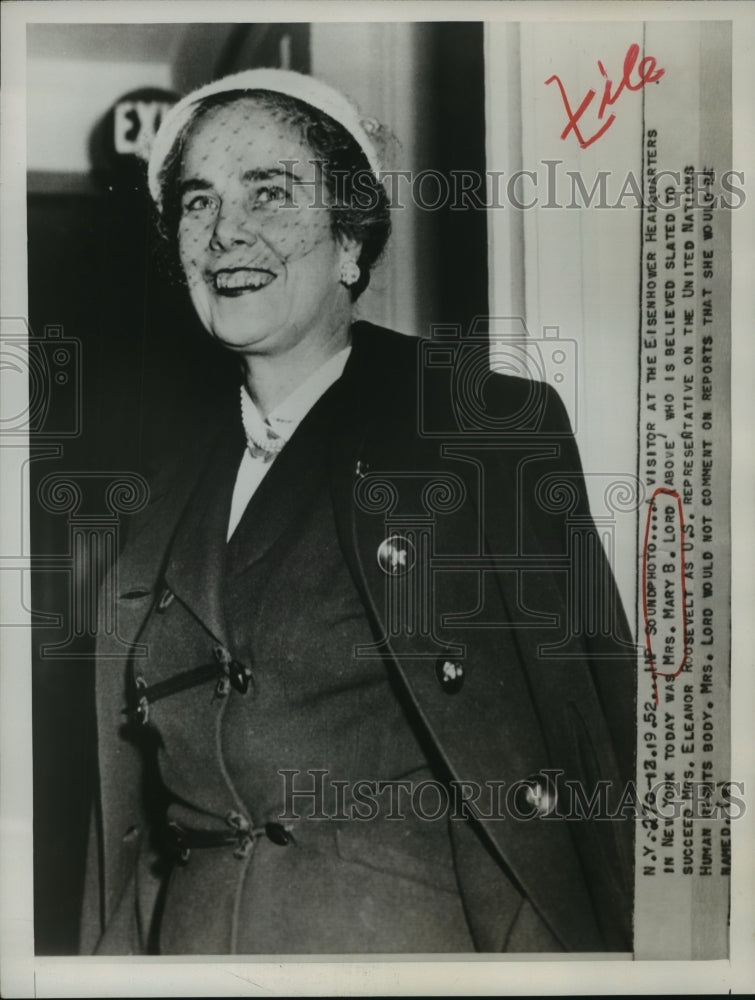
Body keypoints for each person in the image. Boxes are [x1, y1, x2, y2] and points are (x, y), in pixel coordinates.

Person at [82, 68, 636, 956]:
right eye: (197, 202)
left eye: (269, 191)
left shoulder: (478, 426)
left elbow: (593, 734)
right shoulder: (151, 498)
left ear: (350, 240)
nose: (227, 231)